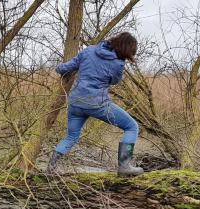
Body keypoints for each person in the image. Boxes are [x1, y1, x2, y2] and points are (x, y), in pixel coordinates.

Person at [48, 32, 143, 176]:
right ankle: (124, 166)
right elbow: (115, 81)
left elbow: (65, 68)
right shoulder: (118, 63)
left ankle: (51, 168)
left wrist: (60, 68)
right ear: (125, 49)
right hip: (97, 104)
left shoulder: (89, 50)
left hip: (76, 102)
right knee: (132, 126)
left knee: (71, 136)